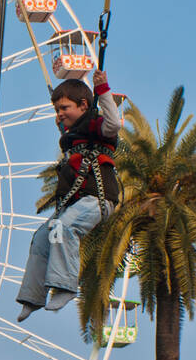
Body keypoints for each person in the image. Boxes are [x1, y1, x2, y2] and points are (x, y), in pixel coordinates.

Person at [17, 71, 121, 322]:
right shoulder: (72, 136)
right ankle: (33, 296)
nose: (59, 113)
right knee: (42, 237)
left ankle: (65, 286)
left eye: (64, 108)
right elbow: (67, 131)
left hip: (97, 199)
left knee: (64, 228)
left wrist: (102, 90)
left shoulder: (97, 126)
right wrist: (64, 124)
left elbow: (115, 124)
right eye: (56, 109)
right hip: (75, 201)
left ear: (83, 105)